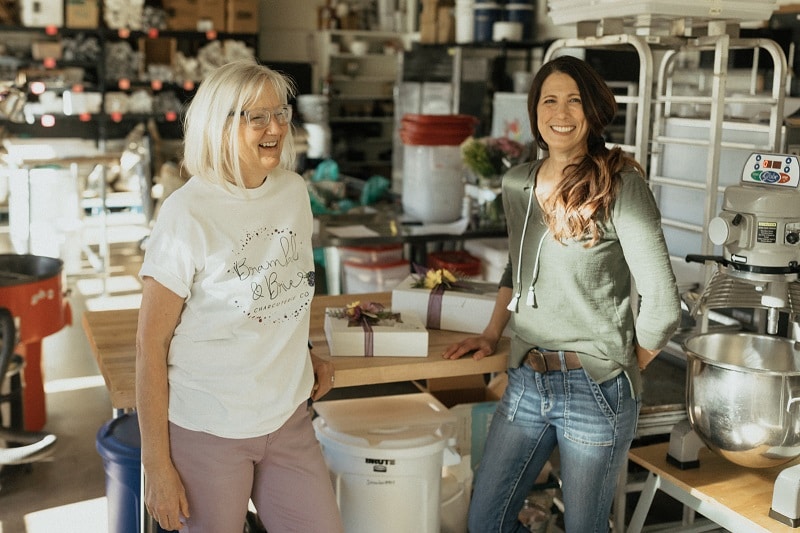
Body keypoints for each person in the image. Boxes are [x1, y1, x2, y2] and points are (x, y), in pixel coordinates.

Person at [443, 55, 681, 532]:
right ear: (535, 112)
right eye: (549, 100)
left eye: (575, 100)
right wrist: (492, 333)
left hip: (596, 389)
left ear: (593, 111)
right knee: (484, 522)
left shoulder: (621, 187)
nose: (561, 112)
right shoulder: (518, 183)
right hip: (528, 380)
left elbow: (664, 305)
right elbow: (517, 262)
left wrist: (621, 367)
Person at [135, 59, 344, 533]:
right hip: (209, 429)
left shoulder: (293, 192)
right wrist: (158, 468)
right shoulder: (186, 213)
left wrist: (306, 351)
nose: (275, 128)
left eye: (281, 113)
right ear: (219, 124)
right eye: (256, 117)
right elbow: (151, 345)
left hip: (288, 418)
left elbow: (284, 287)